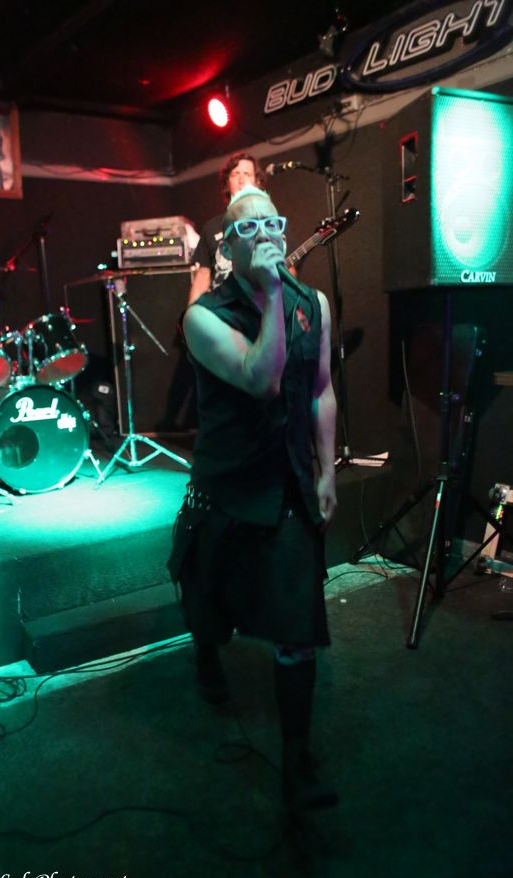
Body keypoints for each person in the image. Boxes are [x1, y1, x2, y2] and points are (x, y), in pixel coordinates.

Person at [168, 185, 338, 825]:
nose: (265, 232)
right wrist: (268, 297)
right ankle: (206, 654)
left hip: (287, 481)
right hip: (226, 483)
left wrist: (326, 468)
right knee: (208, 601)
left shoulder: (312, 304)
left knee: (296, 627)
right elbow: (262, 379)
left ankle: (297, 760)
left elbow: (319, 389)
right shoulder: (202, 318)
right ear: (227, 247)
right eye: (248, 227)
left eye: (274, 222)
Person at [187, 152, 266, 305]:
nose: (241, 180)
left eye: (247, 174)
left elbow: (288, 271)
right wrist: (191, 314)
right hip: (221, 310)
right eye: (235, 174)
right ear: (227, 182)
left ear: (257, 182)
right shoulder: (211, 227)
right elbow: (202, 275)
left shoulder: (269, 224)